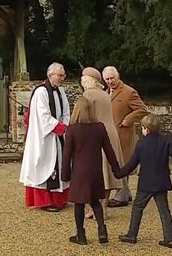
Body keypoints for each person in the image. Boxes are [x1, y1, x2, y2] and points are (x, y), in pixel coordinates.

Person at [115, 114, 172, 249]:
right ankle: (169, 239)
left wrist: (118, 173)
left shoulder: (141, 144)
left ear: (147, 129)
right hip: (162, 182)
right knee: (164, 211)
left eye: (143, 128)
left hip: (146, 183)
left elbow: (131, 164)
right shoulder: (165, 142)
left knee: (138, 208)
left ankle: (132, 235)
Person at [61, 96, 120, 245]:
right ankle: (102, 231)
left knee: (79, 204)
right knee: (95, 201)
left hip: (79, 171)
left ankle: (81, 235)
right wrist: (116, 168)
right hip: (95, 170)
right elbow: (109, 150)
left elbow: (67, 155)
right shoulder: (99, 127)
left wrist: (64, 175)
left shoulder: (73, 130)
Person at [19, 62, 70, 212]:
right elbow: (42, 116)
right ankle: (46, 201)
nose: (62, 78)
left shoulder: (61, 91)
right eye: (59, 75)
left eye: (63, 75)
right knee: (44, 164)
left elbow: (66, 111)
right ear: (50, 75)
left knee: (59, 164)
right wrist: (58, 126)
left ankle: (59, 198)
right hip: (44, 136)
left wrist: (64, 124)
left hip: (57, 136)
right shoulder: (41, 92)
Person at [81, 67, 125, 220]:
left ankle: (96, 209)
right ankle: (103, 207)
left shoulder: (88, 95)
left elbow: (84, 118)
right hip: (111, 134)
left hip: (96, 136)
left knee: (96, 173)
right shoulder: (105, 94)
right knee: (107, 173)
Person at [102, 66, 148, 208]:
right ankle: (124, 192)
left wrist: (128, 119)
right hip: (110, 135)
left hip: (123, 134)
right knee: (114, 163)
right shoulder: (105, 92)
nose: (110, 81)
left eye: (112, 78)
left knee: (122, 163)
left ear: (118, 76)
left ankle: (121, 195)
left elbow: (142, 109)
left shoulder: (129, 92)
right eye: (107, 79)